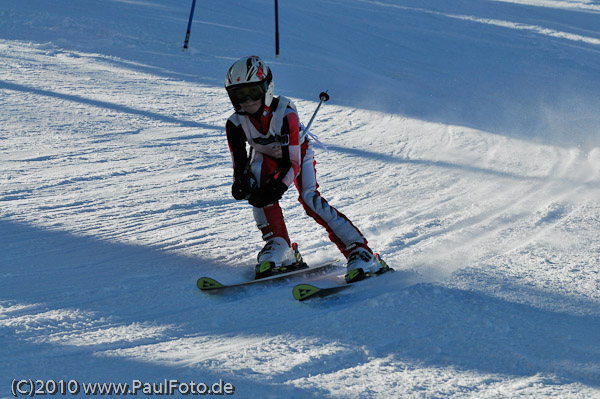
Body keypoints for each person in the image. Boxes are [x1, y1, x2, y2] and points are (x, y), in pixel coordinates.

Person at [224, 55, 387, 282]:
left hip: (297, 152)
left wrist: (278, 186)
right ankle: (279, 245)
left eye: (253, 91)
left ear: (267, 87)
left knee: (309, 199)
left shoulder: (285, 114)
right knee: (257, 190)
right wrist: (241, 183)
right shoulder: (235, 123)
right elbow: (240, 163)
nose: (248, 100)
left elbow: (293, 163)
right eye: (240, 94)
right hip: (265, 154)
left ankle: (359, 250)